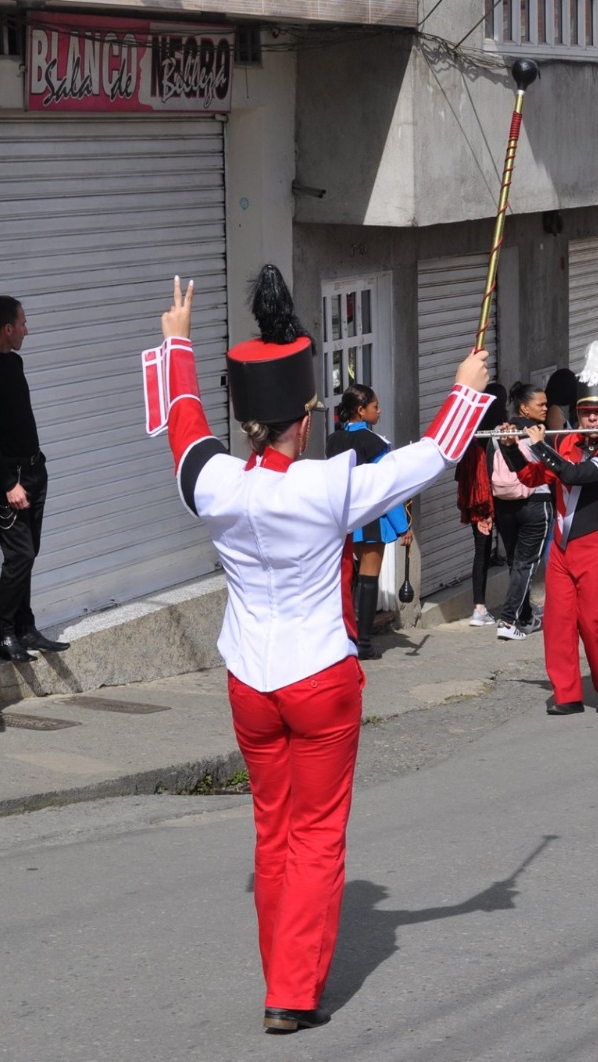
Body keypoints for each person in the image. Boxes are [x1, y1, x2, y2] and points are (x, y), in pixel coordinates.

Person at [142, 269, 491, 1032]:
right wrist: (467, 386)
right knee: (319, 834)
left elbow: (183, 423)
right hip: (321, 680)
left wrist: (175, 343)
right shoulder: (331, 484)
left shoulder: (212, 483)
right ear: (303, 419)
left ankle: (280, 975)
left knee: (272, 829)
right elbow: (430, 459)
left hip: (248, 684)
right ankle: (292, 992)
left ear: (246, 425)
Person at [498, 342, 598, 716]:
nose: (591, 419)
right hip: (561, 547)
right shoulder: (566, 442)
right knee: (558, 624)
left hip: (597, 546)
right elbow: (530, 475)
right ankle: (567, 694)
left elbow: (576, 476)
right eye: (586, 412)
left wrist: (540, 446)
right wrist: (511, 447)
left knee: (595, 622)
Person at [0, 294, 69, 663]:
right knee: (20, 555)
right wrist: (8, 484)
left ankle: (25, 627)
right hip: (11, 478)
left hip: (34, 470)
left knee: (30, 554)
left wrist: (37, 469)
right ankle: (3, 635)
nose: (26, 330)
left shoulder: (14, 363)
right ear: (7, 328)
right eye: (22, 323)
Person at [325, 384, 413, 659]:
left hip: (342, 518)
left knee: (348, 579)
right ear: (361, 411)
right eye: (376, 406)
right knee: (368, 578)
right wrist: (403, 527)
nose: (380, 410)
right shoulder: (375, 443)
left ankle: (345, 636)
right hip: (372, 519)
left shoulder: (333, 440)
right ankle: (362, 642)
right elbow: (386, 489)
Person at [492, 382, 553, 640]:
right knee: (525, 564)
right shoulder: (536, 433)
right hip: (534, 503)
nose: (546, 408)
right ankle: (508, 620)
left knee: (516, 563)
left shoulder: (498, 432)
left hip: (503, 505)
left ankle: (526, 616)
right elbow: (551, 466)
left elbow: (488, 465)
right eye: (541, 404)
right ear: (524, 408)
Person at [457, 389, 505, 628]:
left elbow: (460, 475)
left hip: (476, 504)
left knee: (481, 554)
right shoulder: (497, 435)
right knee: (510, 553)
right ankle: (513, 606)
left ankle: (479, 608)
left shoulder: (471, 435)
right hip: (494, 502)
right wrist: (485, 510)